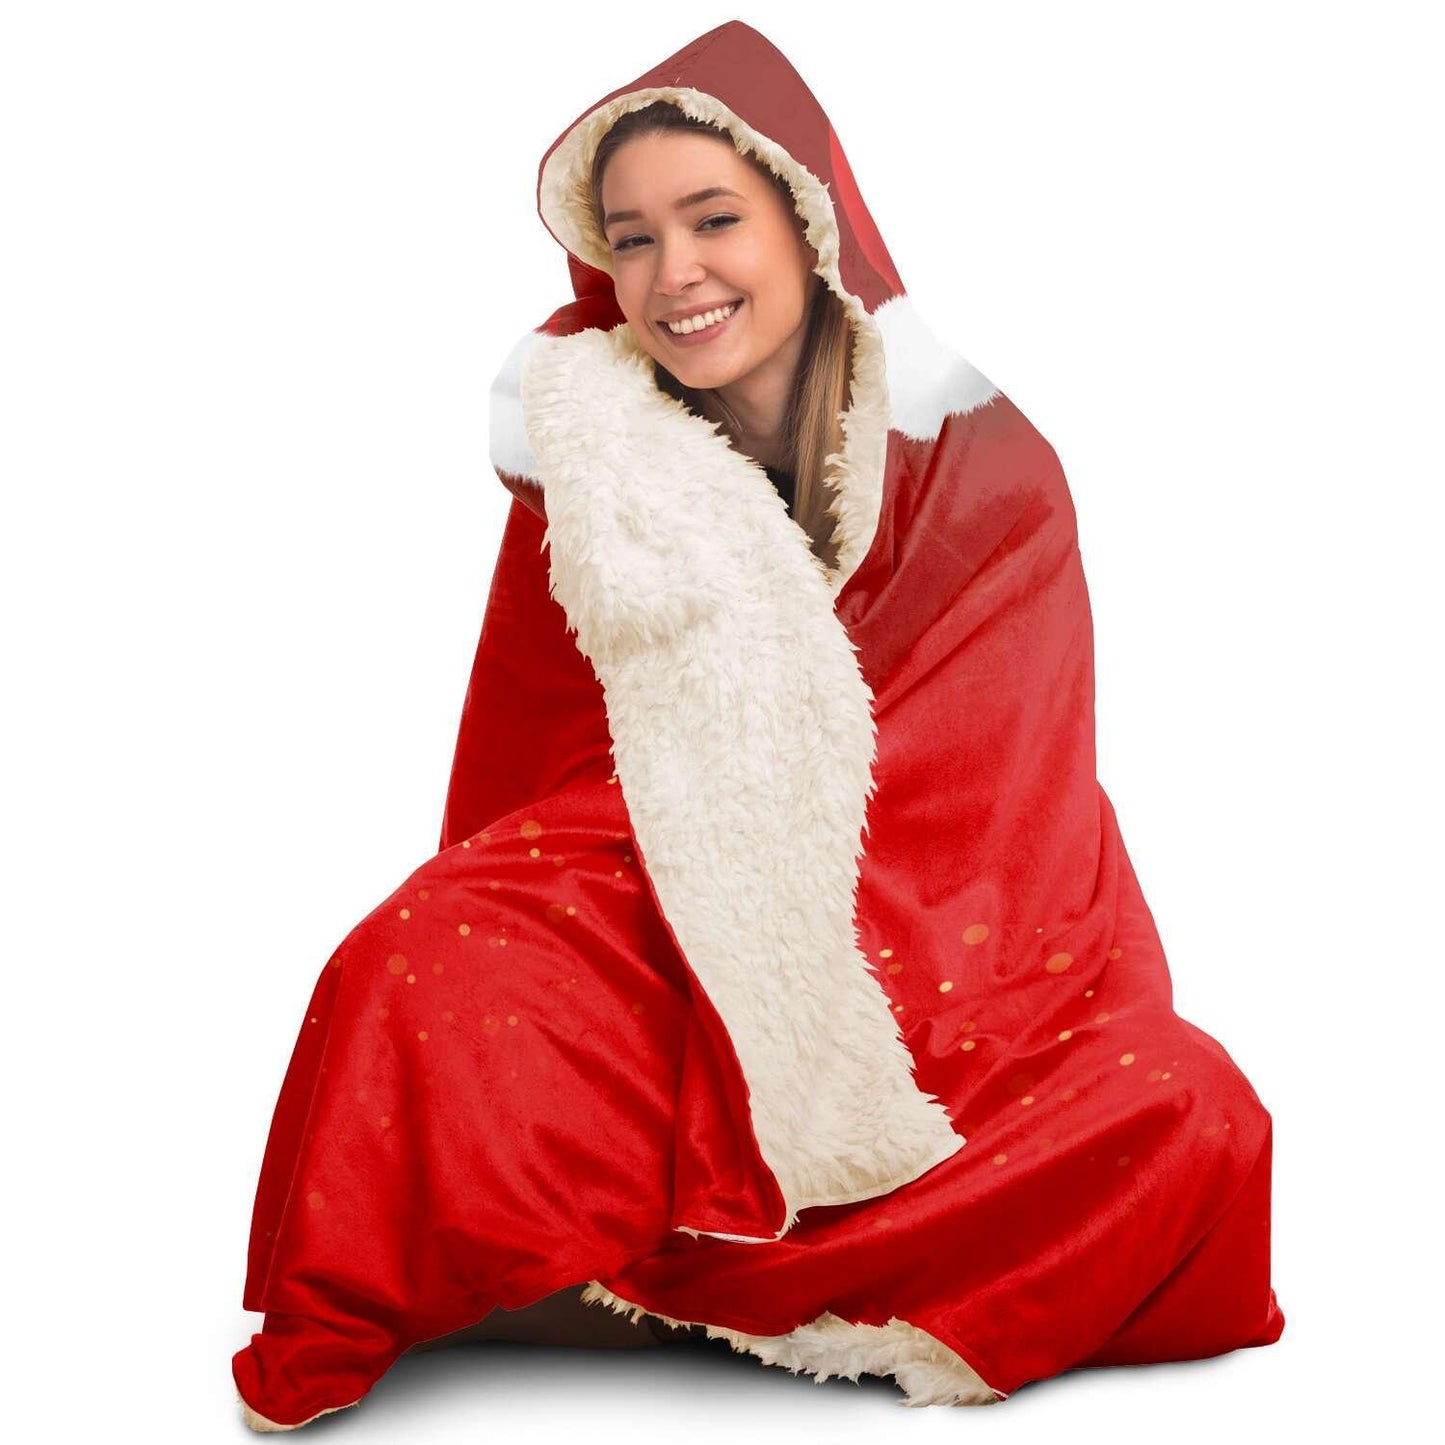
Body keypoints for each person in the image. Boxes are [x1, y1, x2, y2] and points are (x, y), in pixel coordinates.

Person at [233, 21, 1284, 1432]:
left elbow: (994, 799)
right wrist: (676, 910)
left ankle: (647, 1270)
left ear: (807, 219)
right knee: (413, 960)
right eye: (634, 239)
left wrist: (809, 964)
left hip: (956, 958)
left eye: (713, 219)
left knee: (1190, 1110)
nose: (676, 272)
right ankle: (663, 1255)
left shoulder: (989, 470)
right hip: (653, 900)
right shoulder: (599, 466)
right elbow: (540, 759)